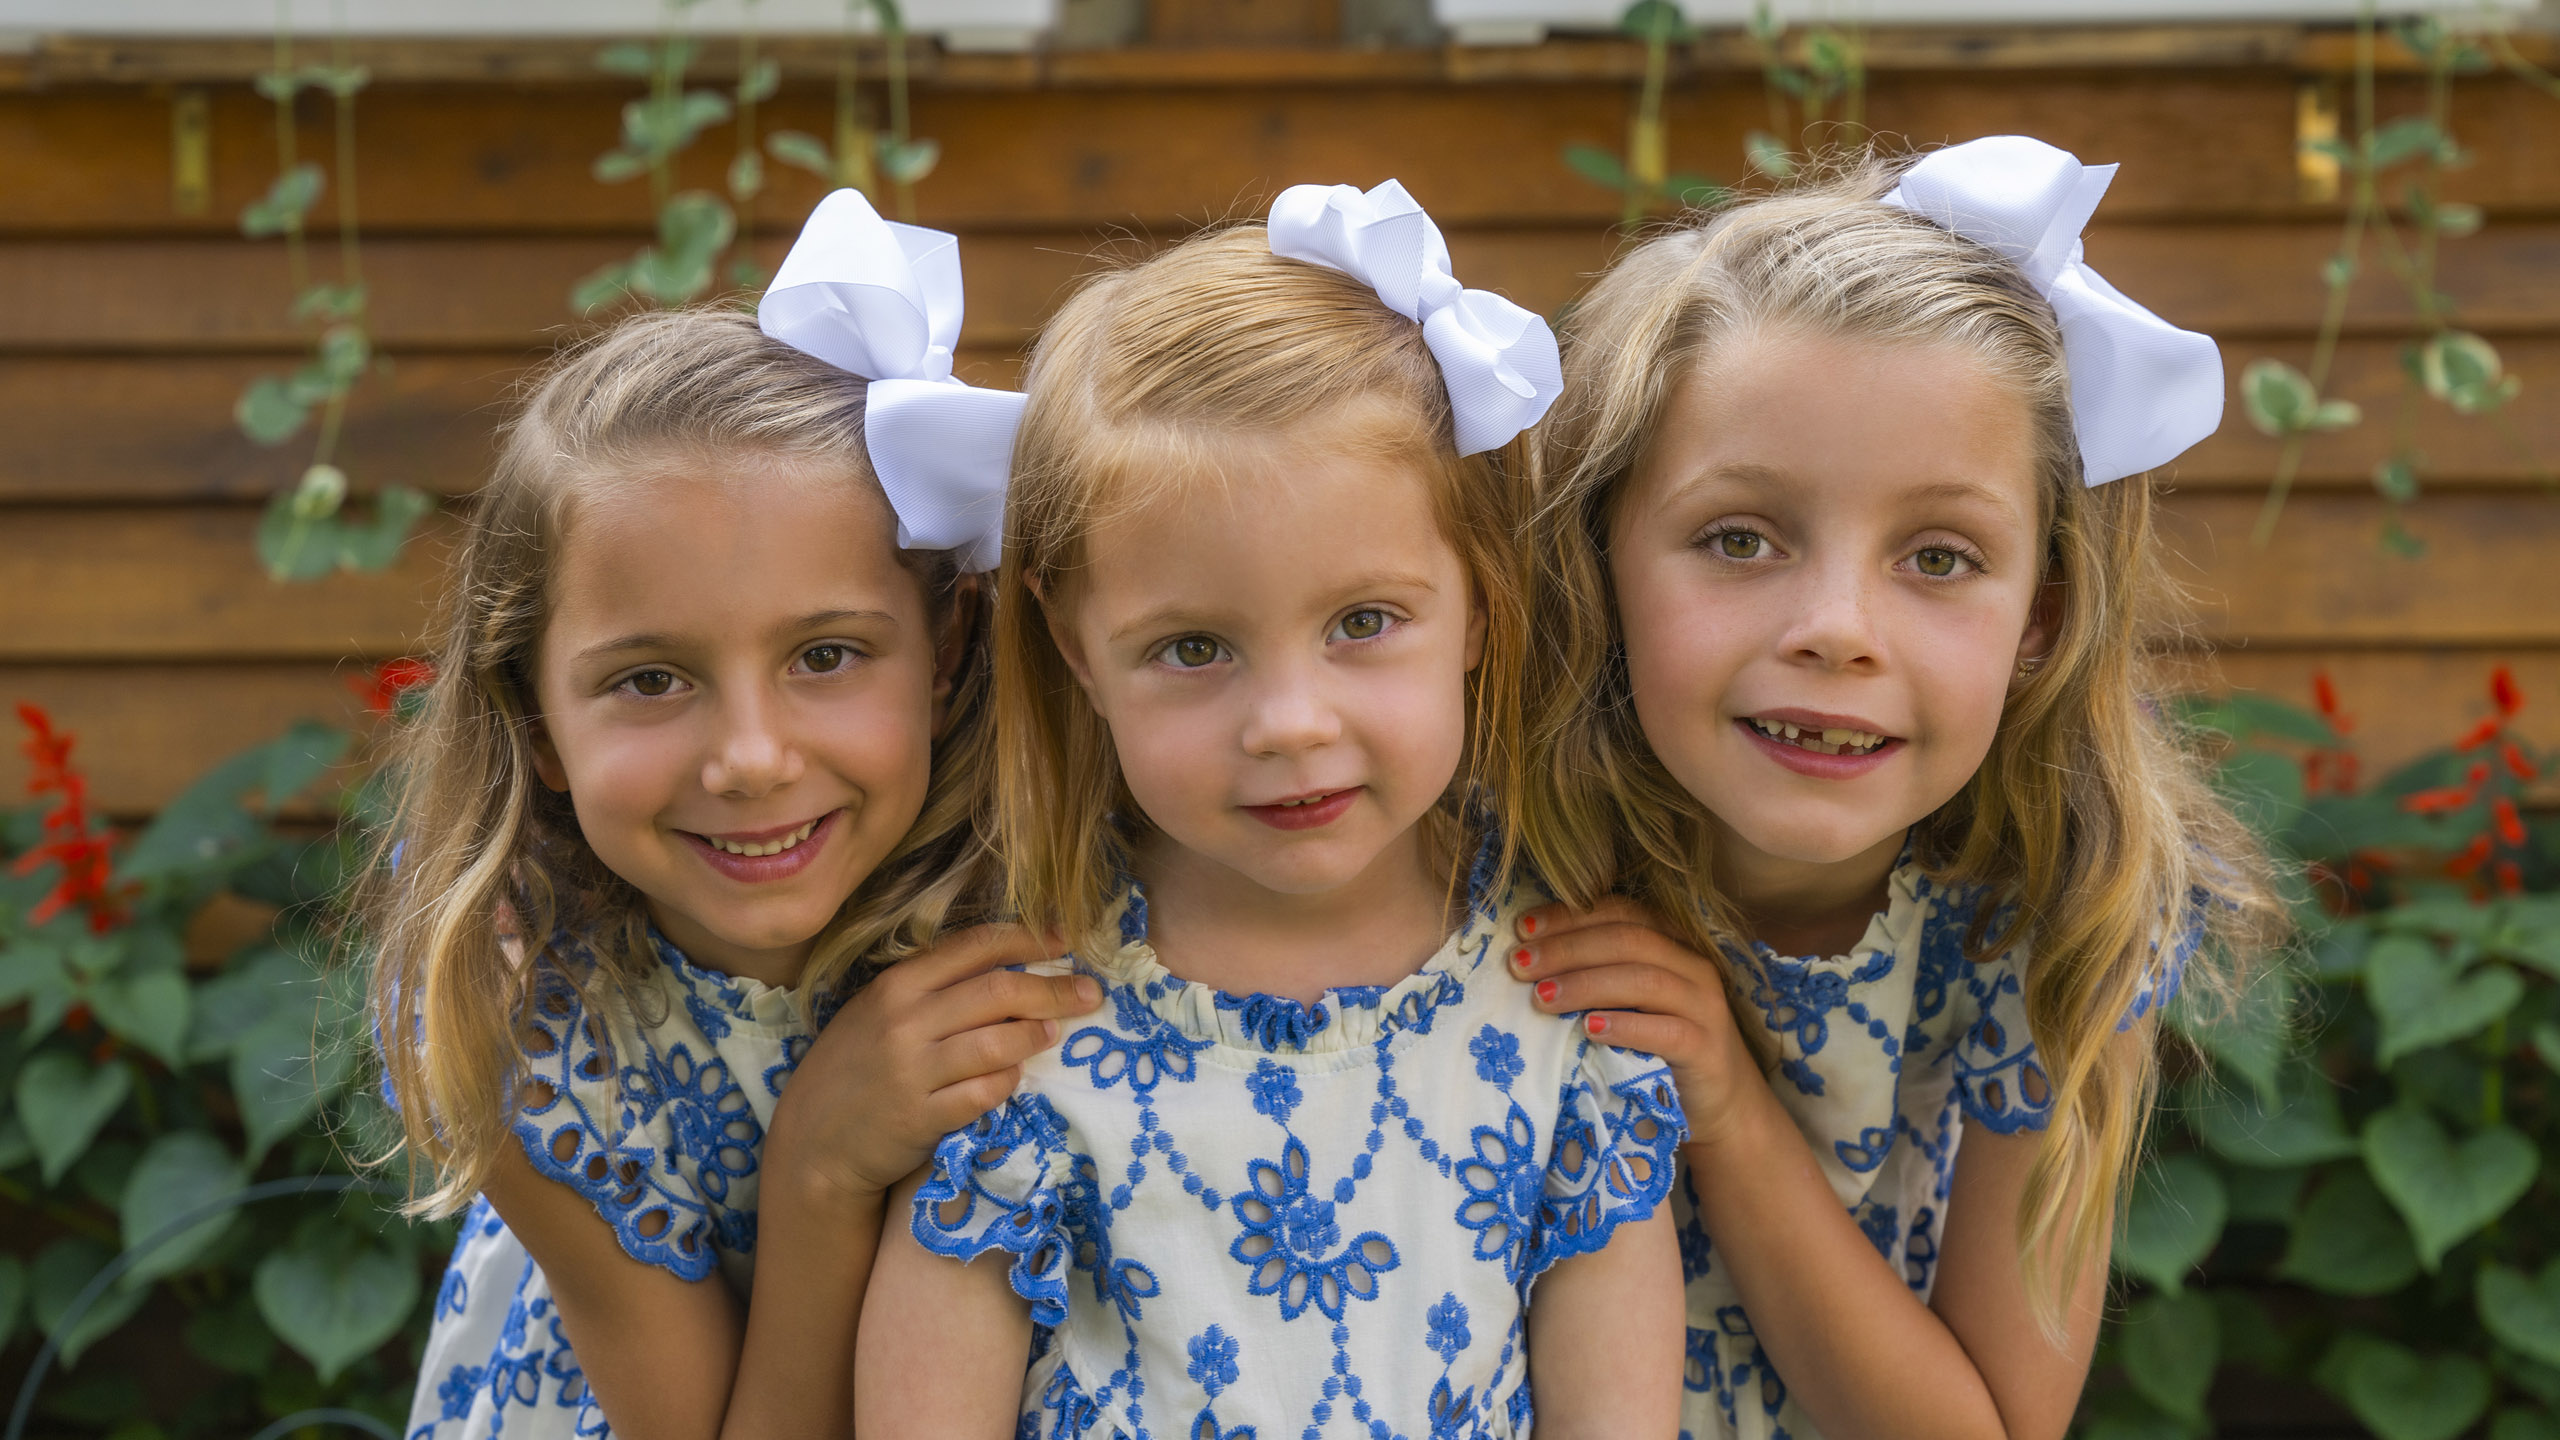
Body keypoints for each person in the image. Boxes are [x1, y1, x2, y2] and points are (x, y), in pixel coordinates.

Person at [855, 180, 1689, 1440]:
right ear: (1074, 648)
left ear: (1478, 605)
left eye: (1363, 622)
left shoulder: (1565, 1000)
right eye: (1192, 648)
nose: (1289, 722)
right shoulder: (1015, 1027)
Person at [1504, 137, 2285, 1440]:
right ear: (1600, 560)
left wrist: (1731, 1110)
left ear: (2039, 621)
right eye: (1739, 538)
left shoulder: (2062, 916)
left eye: (1937, 556)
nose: (1837, 629)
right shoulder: (1493, 860)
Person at [367, 190, 1100, 1440]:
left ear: (945, 644)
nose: (752, 760)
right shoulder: (518, 1008)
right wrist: (818, 1165)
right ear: (537, 723)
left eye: (825, 655)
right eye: (650, 681)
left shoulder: (1050, 870)